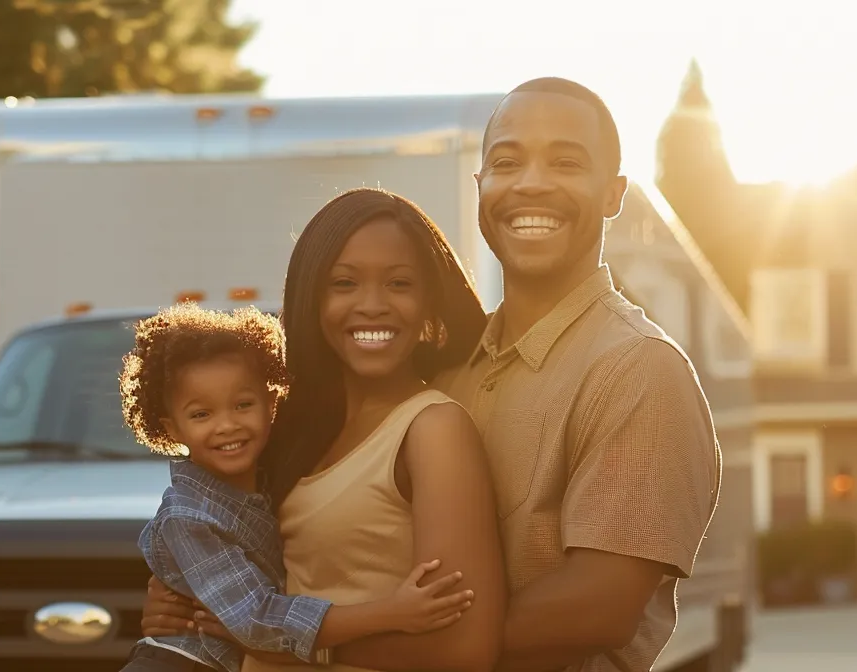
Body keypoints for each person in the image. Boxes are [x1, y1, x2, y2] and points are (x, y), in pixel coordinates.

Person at [146, 78, 722, 672]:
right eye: (506, 161)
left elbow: (596, 610)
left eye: (566, 162)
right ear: (480, 189)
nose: (531, 182)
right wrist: (198, 590)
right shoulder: (450, 370)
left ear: (613, 194)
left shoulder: (637, 368)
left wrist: (296, 636)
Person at [116, 303, 483, 672]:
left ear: (271, 404)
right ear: (172, 429)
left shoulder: (273, 473)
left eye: (243, 404)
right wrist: (389, 613)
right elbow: (258, 620)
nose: (227, 425)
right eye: (201, 414)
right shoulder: (189, 517)